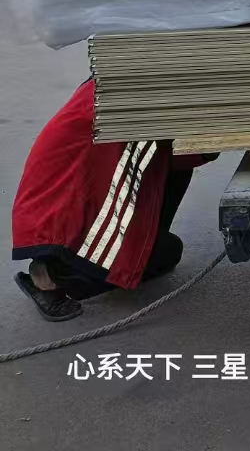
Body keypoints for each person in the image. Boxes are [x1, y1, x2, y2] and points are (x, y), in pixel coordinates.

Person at [12, 79, 213, 322]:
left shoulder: (118, 84)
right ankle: (51, 276)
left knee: (166, 249)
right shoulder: (131, 104)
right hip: (63, 222)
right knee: (161, 256)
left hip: (68, 208)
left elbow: (173, 156)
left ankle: (81, 263)